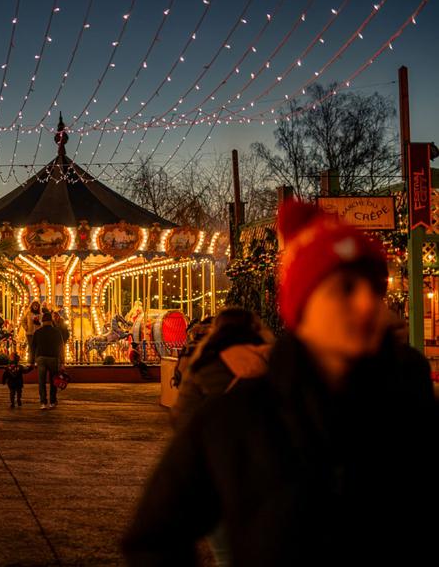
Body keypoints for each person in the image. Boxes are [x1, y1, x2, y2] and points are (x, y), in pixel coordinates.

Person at [122, 199, 439, 566]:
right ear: (303, 307)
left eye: (375, 289)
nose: (368, 303)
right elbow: (154, 535)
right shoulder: (235, 419)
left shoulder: (411, 406)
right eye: (345, 288)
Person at [171, 308, 272, 432]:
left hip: (215, 437)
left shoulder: (206, 364)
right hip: (261, 438)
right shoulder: (272, 362)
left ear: (217, 330)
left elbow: (182, 416)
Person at [30, 312, 65, 410]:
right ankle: (52, 401)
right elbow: (61, 347)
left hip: (41, 358)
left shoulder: (38, 332)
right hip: (53, 358)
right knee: (53, 381)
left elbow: (33, 348)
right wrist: (62, 362)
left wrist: (31, 361)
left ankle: (43, 402)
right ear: (51, 321)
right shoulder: (56, 332)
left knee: (41, 381)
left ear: (43, 321)